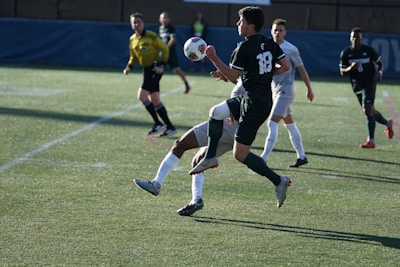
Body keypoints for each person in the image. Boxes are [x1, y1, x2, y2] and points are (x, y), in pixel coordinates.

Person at [189, 6, 292, 208]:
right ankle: (210, 157)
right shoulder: (268, 42)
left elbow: (233, 77)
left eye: (241, 21)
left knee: (240, 154)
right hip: (258, 99)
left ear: (250, 26)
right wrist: (261, 75)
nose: (238, 24)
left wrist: (212, 57)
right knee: (216, 112)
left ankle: (278, 180)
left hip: (253, 104)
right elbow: (285, 66)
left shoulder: (244, 47)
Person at [133, 73, 243, 216]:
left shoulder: (253, 68)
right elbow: (237, 78)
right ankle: (196, 200)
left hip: (225, 125)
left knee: (180, 144)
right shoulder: (260, 75)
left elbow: (237, 75)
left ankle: (156, 184)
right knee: (198, 162)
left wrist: (212, 57)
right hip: (239, 133)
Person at [260, 18, 314, 167]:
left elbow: (301, 69)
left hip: (286, 91)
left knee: (272, 123)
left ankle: (263, 158)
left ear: (285, 32)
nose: (277, 33)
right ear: (271, 31)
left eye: (280, 30)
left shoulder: (291, 49)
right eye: (275, 30)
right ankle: (302, 156)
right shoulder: (267, 46)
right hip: (275, 90)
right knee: (290, 124)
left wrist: (309, 89)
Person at [123, 12, 177, 137]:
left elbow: (164, 48)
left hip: (155, 69)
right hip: (146, 70)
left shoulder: (152, 36)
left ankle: (158, 123)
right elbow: (133, 56)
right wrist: (129, 67)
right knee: (155, 100)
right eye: (134, 22)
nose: (136, 24)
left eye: (138, 22)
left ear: (143, 23)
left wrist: (162, 65)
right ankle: (170, 127)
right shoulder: (132, 39)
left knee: (141, 96)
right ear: (131, 25)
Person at [339, 27, 393, 148]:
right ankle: (387, 123)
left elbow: (379, 63)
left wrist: (380, 72)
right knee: (370, 111)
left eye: (357, 37)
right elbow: (342, 72)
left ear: (362, 39)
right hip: (356, 85)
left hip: (369, 82)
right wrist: (350, 68)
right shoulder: (346, 53)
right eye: (353, 37)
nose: (355, 39)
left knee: (367, 109)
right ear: (350, 38)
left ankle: (371, 140)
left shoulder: (369, 51)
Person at [159, 12, 191, 94]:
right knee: (158, 69)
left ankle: (187, 84)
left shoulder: (171, 28)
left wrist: (166, 48)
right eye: (163, 18)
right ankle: (153, 87)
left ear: (169, 19)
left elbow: (173, 39)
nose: (164, 20)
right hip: (163, 54)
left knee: (176, 70)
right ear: (160, 19)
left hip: (171, 54)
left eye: (166, 18)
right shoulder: (161, 28)